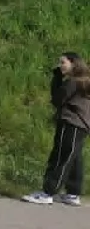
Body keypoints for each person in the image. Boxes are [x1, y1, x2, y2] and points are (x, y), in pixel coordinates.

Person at [22, 53, 90, 206]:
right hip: (82, 125)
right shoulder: (85, 81)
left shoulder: (73, 82)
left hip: (71, 122)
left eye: (63, 62)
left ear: (74, 64)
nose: (60, 65)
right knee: (75, 158)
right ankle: (73, 193)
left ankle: (48, 192)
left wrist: (57, 78)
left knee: (61, 157)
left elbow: (57, 99)